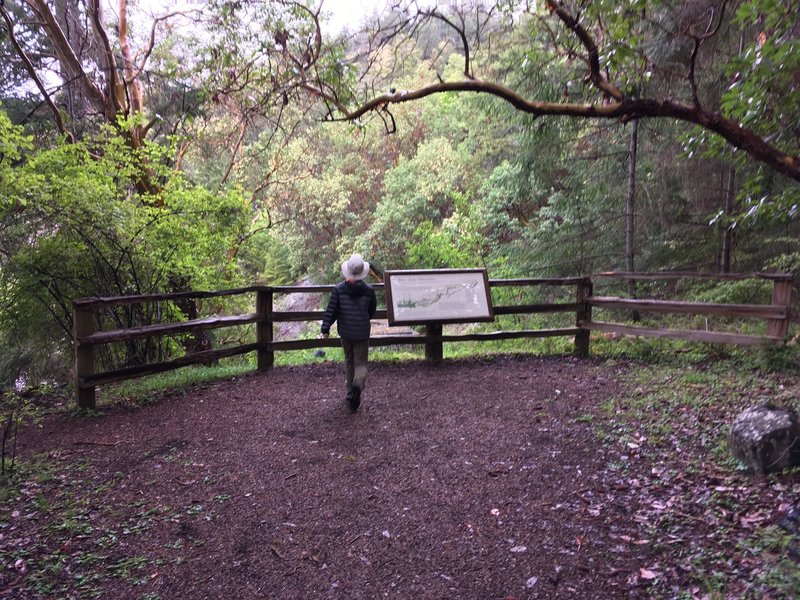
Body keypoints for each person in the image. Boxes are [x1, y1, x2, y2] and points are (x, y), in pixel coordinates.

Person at [321, 253, 377, 412]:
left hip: (345, 332)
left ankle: (349, 393)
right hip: (362, 333)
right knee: (361, 363)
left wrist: (325, 328)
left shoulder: (338, 290)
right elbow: (371, 311)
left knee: (349, 361)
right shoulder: (369, 291)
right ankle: (357, 385)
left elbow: (331, 310)